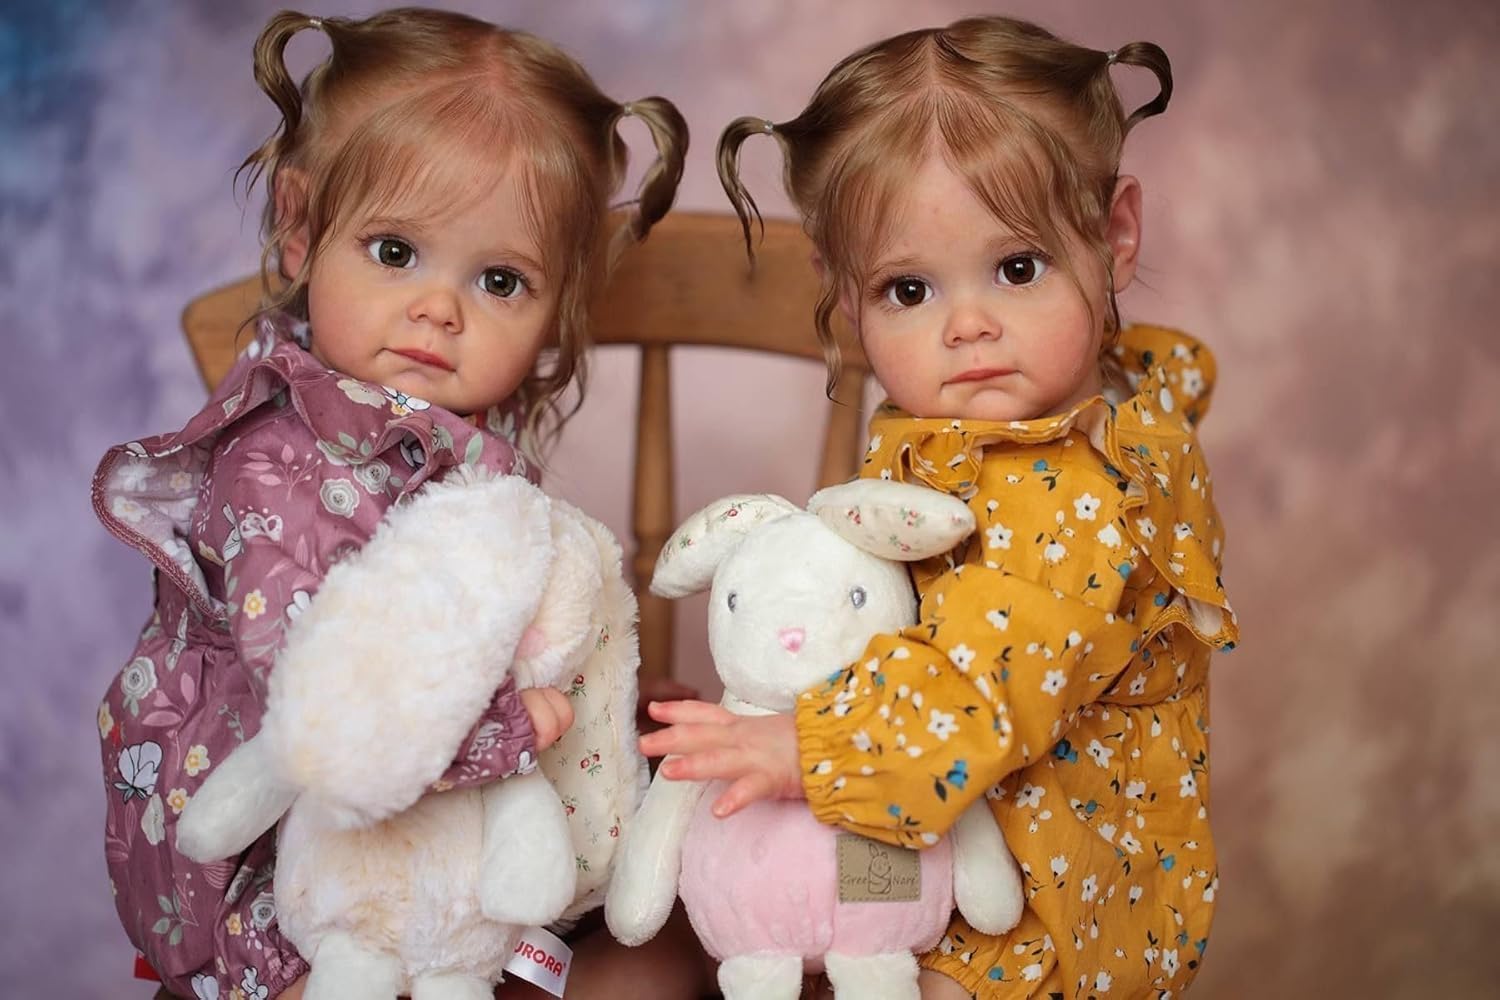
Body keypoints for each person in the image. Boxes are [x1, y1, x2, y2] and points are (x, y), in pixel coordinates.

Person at [92, 8, 699, 998]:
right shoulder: (275, 467)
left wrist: (606, 708)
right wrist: (522, 729)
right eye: (395, 251)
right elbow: (340, 711)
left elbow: (482, 628)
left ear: (555, 306)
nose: (439, 308)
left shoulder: (445, 436)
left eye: (499, 279)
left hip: (443, 826)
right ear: (299, 228)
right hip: (278, 861)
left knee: (664, 959)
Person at [643, 15, 1238, 998]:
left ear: (1114, 237)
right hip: (930, 829)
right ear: (845, 295)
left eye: (1017, 268)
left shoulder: (1078, 492)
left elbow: (982, 677)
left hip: (1049, 895)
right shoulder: (991, 428)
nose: (968, 326)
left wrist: (810, 745)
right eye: (908, 289)